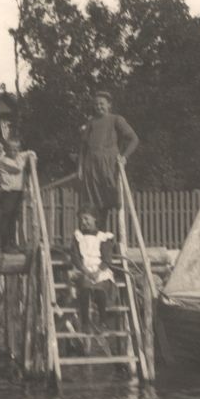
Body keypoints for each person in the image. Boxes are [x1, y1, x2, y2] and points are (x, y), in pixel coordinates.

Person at [78, 91, 139, 228]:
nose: (99, 107)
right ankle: (96, 237)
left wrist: (124, 156)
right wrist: (80, 167)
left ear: (109, 105)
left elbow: (134, 139)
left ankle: (116, 238)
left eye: (102, 104)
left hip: (109, 165)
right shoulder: (91, 123)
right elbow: (83, 147)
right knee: (93, 203)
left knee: (113, 199)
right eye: (96, 104)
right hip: (92, 166)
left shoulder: (116, 119)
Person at [70, 204, 117, 333]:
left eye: (86, 219)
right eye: (81, 220)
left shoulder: (103, 237)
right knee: (84, 289)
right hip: (83, 268)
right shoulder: (78, 236)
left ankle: (103, 322)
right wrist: (84, 270)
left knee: (100, 290)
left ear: (95, 219)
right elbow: (75, 256)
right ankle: (85, 323)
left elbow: (107, 258)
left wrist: (98, 271)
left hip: (99, 270)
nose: (83, 222)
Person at [0, 139, 32, 252]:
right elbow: (18, 168)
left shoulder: (17, 158)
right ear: (7, 150)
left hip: (17, 192)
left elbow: (27, 154)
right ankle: (5, 245)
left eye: (16, 149)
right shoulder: (5, 161)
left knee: (13, 219)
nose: (14, 152)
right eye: (11, 149)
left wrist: (30, 153)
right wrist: (25, 156)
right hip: (8, 192)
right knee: (7, 218)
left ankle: (13, 243)